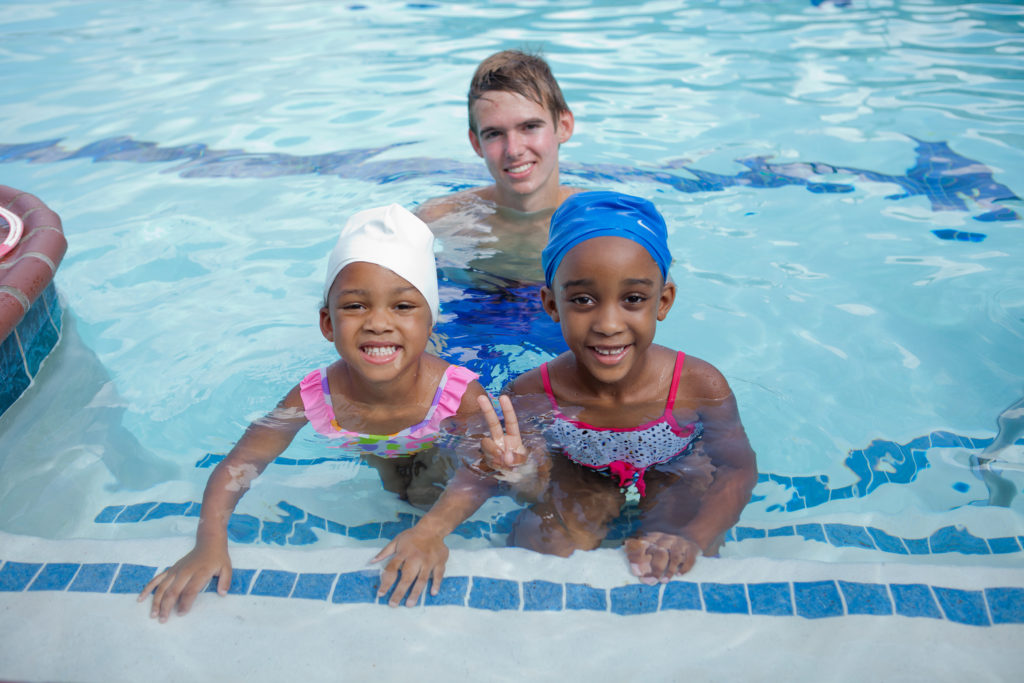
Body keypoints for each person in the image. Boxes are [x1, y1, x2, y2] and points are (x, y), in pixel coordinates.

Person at [138, 204, 489, 620]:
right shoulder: (312, 397)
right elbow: (241, 462)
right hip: (368, 439)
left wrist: (432, 531)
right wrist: (209, 541)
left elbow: (486, 468)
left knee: (426, 493)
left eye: (403, 307)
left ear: (431, 322)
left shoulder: (459, 392)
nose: (378, 323)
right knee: (398, 490)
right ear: (327, 323)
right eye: (356, 306)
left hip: (436, 431)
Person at [465, 191, 759, 583]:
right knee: (543, 545)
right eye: (583, 299)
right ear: (552, 305)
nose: (608, 324)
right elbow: (532, 485)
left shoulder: (697, 385)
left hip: (673, 469)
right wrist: (517, 471)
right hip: (578, 471)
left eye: (633, 299)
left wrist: (694, 536)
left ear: (664, 301)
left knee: (671, 555)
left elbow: (737, 468)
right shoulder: (533, 392)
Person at [416, 48, 582, 281]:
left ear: (563, 126)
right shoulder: (439, 218)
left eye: (530, 127)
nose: (513, 150)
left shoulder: (596, 218)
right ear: (476, 143)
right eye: (494, 133)